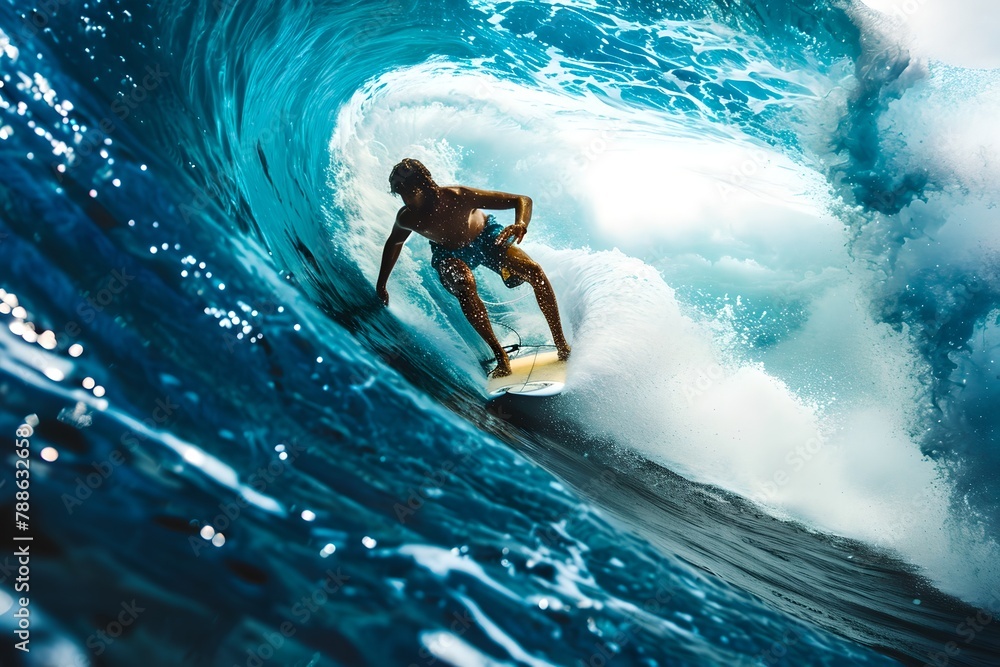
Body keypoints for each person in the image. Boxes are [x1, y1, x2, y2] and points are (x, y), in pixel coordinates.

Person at [376, 158, 571, 377]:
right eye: (400, 194)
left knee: (534, 271)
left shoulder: (459, 196)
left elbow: (522, 200)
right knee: (463, 285)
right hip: (448, 253)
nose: (406, 200)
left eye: (409, 193)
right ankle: (501, 358)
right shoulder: (408, 217)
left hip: (487, 238)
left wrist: (520, 224)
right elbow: (394, 243)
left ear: (423, 185)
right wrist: (382, 284)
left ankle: (561, 344)